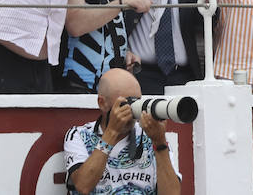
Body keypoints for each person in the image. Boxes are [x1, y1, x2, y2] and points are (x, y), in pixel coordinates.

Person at [63, 67, 181, 195]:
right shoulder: (80, 135)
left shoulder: (150, 135)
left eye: (137, 102)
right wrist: (112, 132)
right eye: (126, 103)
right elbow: (83, 186)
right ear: (102, 103)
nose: (132, 110)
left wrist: (160, 143)